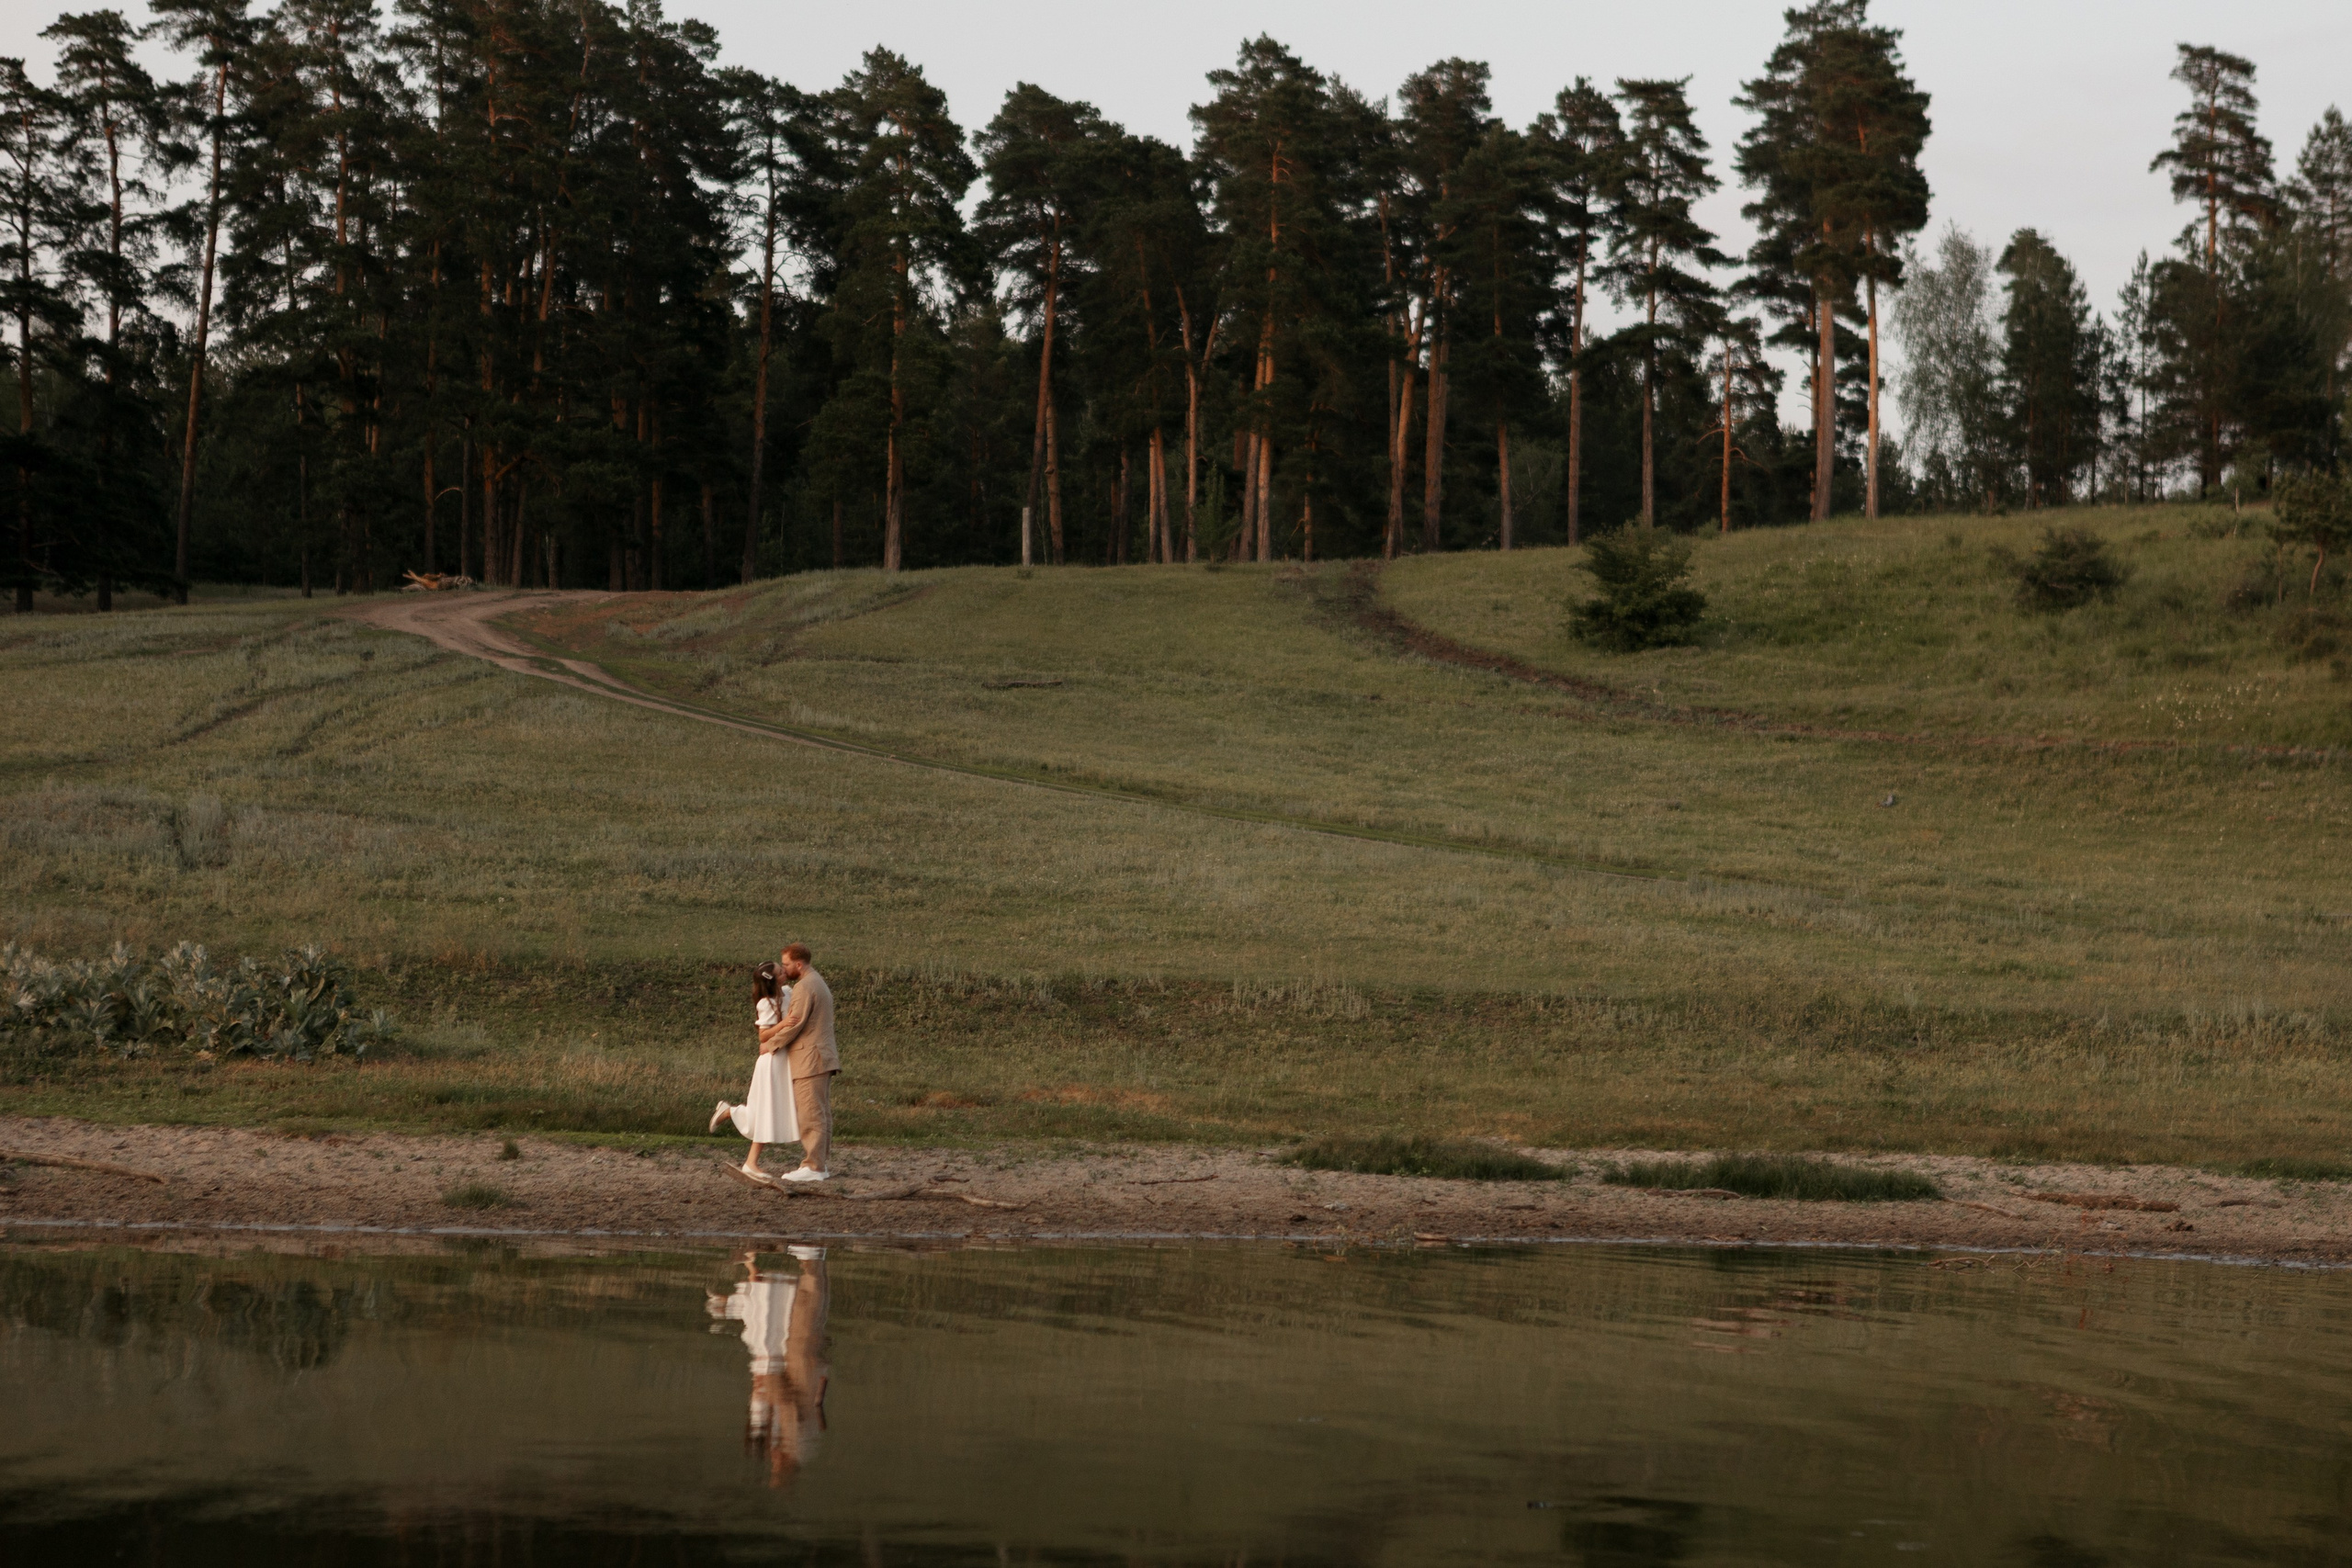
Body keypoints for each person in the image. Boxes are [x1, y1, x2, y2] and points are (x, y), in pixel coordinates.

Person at [706, 1247, 830, 1487]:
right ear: (783, 1461)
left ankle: (811, 1256)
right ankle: (810, 1254)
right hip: (802, 1357)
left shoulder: (799, 1439)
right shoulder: (796, 1438)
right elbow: (784, 1396)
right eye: (775, 1462)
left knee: (810, 1302)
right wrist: (766, 1390)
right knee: (807, 1302)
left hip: (806, 1359)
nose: (772, 1456)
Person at [709, 961, 797, 1180]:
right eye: (780, 971)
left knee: (769, 1110)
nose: (785, 971)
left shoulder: (787, 992)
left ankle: (748, 1155)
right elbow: (763, 1036)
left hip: (783, 1058)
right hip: (771, 1062)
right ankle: (750, 1159)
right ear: (774, 979)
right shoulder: (766, 1004)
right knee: (766, 1110)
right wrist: (785, 1023)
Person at [763, 943, 838, 1181]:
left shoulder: (804, 987)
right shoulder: (817, 981)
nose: (784, 968)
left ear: (798, 964)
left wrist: (770, 1045)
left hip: (810, 1058)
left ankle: (813, 1166)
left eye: (785, 964)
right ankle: (819, 1164)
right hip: (820, 1057)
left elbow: (795, 1023)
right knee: (820, 1112)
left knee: (811, 1113)